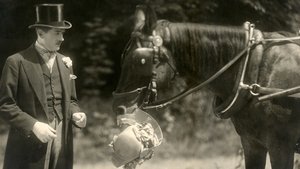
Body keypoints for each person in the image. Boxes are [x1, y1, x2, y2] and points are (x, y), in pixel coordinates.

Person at [0, 3, 87, 169]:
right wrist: (34, 125)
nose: (62, 38)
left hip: (62, 138)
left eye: (63, 33)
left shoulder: (65, 63)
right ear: (40, 33)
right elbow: (5, 105)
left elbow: (71, 100)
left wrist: (77, 114)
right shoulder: (16, 62)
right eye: (57, 33)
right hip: (28, 144)